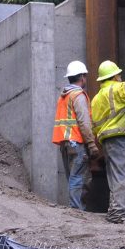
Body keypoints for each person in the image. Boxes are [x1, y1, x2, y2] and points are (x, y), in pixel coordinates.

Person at [91, 50, 125, 224]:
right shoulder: (117, 90)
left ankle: (116, 213)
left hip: (107, 141)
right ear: (114, 76)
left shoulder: (96, 99)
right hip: (121, 138)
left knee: (115, 177)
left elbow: (95, 124)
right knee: (123, 177)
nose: (120, 77)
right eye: (119, 75)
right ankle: (118, 215)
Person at [52, 61, 99, 210]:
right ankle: (77, 211)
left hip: (65, 144)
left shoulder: (63, 96)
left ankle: (76, 209)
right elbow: (84, 122)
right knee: (79, 178)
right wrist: (91, 144)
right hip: (76, 143)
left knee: (73, 178)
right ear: (83, 77)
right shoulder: (78, 95)